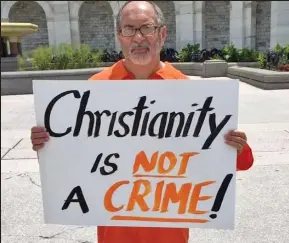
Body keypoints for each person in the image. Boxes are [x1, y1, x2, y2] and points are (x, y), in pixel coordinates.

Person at [31, 1, 254, 243]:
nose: (138, 38)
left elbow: (234, 163)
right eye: (129, 29)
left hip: (169, 234)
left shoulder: (189, 92)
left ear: (162, 34)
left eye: (147, 28)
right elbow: (73, 160)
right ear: (119, 36)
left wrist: (236, 146)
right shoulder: (95, 89)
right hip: (114, 233)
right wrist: (48, 144)